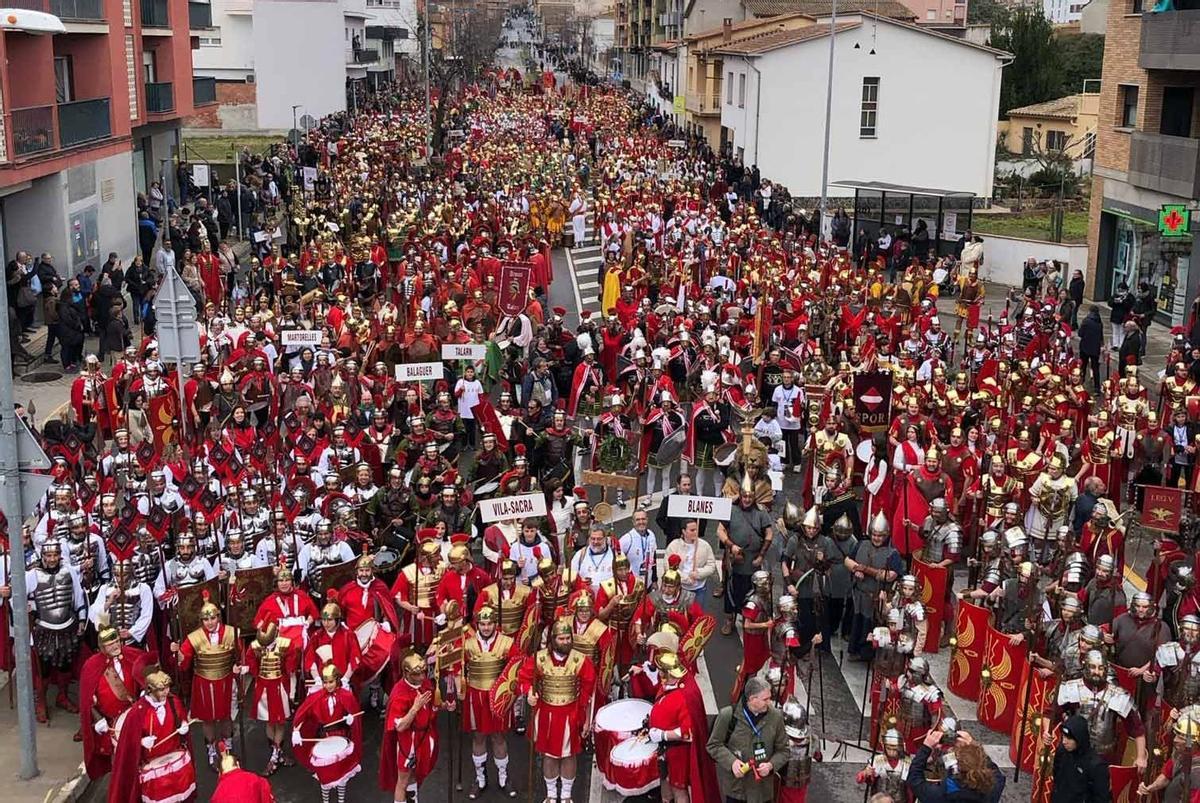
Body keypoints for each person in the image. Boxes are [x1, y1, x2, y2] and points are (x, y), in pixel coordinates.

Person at [706, 676, 790, 803]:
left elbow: (784, 750)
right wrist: (732, 762)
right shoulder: (728, 716)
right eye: (765, 699)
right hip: (737, 790)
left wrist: (771, 765)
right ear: (752, 699)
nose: (770, 703)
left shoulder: (776, 717)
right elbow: (714, 745)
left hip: (763, 791)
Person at [907, 728, 1004, 803]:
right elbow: (995, 772)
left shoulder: (942, 795)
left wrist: (926, 747)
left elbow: (914, 779)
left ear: (958, 769)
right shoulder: (993, 788)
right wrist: (973, 745)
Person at [1051, 714, 1112, 803]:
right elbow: (1056, 775)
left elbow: (1101, 798)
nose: (1064, 742)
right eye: (1063, 736)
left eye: (1069, 738)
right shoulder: (1062, 752)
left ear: (1079, 738)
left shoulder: (1096, 766)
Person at [1078, 305, 1103, 394]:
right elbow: (1101, 336)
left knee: (1083, 366)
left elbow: (1080, 333)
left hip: (1085, 346)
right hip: (1095, 348)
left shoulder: (1086, 321)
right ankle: (1097, 388)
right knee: (1095, 368)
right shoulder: (1099, 321)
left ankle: (1080, 383)